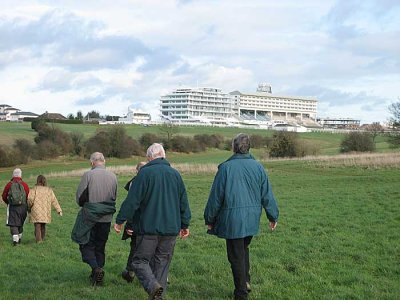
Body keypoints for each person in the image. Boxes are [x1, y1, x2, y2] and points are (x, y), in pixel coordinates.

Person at [204, 133, 279, 300]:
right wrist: (273, 216)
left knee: (236, 256)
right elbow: (267, 194)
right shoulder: (258, 167)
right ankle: (246, 281)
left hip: (232, 220)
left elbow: (215, 197)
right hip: (251, 218)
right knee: (243, 250)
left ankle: (241, 293)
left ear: (234, 147)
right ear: (248, 148)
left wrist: (209, 219)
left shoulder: (225, 168)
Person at [114, 143, 191, 300]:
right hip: (170, 229)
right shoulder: (175, 174)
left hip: (148, 228)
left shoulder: (144, 173)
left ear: (149, 158)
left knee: (139, 261)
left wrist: (120, 220)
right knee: (161, 265)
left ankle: (153, 286)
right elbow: (183, 202)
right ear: (164, 155)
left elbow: (132, 201)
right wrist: (185, 224)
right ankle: (157, 296)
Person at [71, 152, 118, 286]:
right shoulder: (113, 176)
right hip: (106, 218)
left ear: (92, 162)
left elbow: (80, 198)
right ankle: (97, 274)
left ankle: (95, 268)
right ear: (104, 161)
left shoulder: (88, 175)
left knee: (85, 244)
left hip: (90, 218)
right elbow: (114, 197)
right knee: (100, 246)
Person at [121, 161, 146, 283]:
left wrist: (128, 223)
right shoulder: (150, 180)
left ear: (136, 170)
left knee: (135, 247)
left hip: (137, 221)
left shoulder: (134, 182)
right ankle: (161, 275)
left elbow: (131, 205)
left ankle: (130, 271)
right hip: (148, 221)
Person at [28, 175, 62, 243]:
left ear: (37, 181)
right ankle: (42, 239)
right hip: (45, 210)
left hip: (36, 210)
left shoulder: (34, 189)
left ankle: (39, 240)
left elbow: (30, 199)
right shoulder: (49, 190)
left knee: (37, 225)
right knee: (43, 225)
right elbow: (54, 200)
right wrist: (59, 210)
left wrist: (29, 207)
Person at [2, 168, 30, 246]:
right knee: (20, 223)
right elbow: (28, 195)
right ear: (20, 175)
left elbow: (4, 196)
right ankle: (19, 238)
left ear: (13, 175)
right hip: (23, 206)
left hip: (12, 207)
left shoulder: (9, 184)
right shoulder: (24, 184)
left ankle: (15, 241)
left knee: (13, 223)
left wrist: (8, 203)